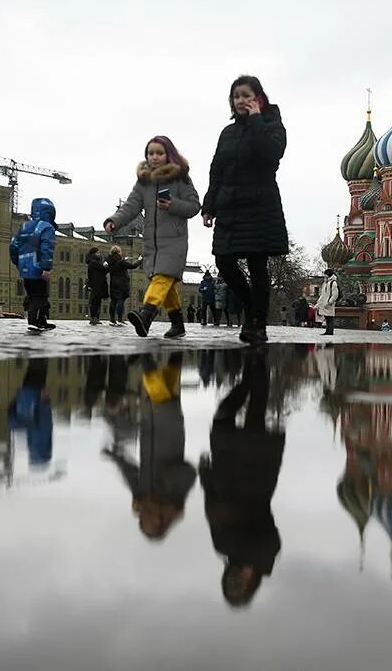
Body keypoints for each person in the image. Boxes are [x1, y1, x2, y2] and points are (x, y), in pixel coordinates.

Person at [202, 75, 289, 345]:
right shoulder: (227, 133)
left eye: (246, 95)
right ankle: (253, 308)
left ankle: (257, 324)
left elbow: (271, 154)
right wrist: (209, 205)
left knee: (257, 265)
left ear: (258, 98)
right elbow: (217, 170)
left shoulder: (272, 124)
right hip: (230, 206)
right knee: (224, 262)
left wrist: (255, 120)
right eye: (236, 96)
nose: (240, 100)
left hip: (259, 205)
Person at [199, 350, 283, 607]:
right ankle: (257, 367)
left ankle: (251, 373)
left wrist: (206, 476)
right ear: (251, 584)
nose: (235, 579)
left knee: (223, 416)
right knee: (255, 412)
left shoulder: (225, 548)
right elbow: (269, 535)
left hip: (228, 470)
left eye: (230, 583)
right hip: (254, 477)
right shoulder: (263, 556)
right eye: (239, 585)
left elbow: (211, 507)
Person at [104, 135, 202, 338]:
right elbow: (130, 207)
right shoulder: (143, 182)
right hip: (151, 243)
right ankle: (178, 325)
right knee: (168, 283)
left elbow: (194, 206)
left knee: (161, 277)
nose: (154, 157)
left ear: (168, 155)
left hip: (174, 241)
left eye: (159, 153)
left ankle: (146, 315)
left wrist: (172, 205)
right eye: (151, 153)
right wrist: (114, 221)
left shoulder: (181, 178)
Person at [103, 353, 196, 541]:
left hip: (150, 427)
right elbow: (190, 472)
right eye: (145, 521)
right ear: (160, 520)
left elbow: (130, 474)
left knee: (167, 387)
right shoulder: (176, 499)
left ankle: (175, 354)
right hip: (170, 430)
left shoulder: (142, 498)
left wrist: (116, 457)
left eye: (141, 521)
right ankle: (146, 358)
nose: (141, 517)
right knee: (159, 393)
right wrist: (164, 482)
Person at [10, 198, 58, 331]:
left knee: (32, 295)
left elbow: (13, 246)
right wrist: (46, 268)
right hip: (38, 267)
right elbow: (46, 248)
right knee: (40, 296)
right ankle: (34, 322)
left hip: (24, 267)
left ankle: (42, 321)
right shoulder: (47, 227)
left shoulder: (24, 226)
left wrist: (17, 262)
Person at [8, 359, 54, 469]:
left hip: (36, 395)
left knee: (39, 363)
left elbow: (45, 422)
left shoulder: (41, 443)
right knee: (34, 366)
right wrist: (16, 399)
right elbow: (11, 418)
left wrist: (45, 401)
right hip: (26, 397)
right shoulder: (28, 441)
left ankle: (39, 348)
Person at [105, 245, 141, 326]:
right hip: (122, 283)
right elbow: (133, 266)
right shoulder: (121, 262)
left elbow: (114, 265)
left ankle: (112, 319)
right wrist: (139, 260)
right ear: (118, 252)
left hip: (113, 283)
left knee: (113, 301)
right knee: (121, 300)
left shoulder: (110, 261)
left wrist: (124, 259)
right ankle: (120, 319)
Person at [84, 246, 109, 325]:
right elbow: (102, 269)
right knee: (95, 302)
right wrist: (104, 265)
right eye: (98, 253)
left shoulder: (94, 262)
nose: (99, 254)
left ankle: (96, 318)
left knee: (97, 301)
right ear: (94, 253)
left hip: (98, 284)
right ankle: (93, 318)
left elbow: (103, 270)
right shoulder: (93, 262)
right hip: (96, 284)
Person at [315, 268, 339, 336]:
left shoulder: (333, 283)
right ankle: (327, 331)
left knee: (330, 318)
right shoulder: (325, 283)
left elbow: (335, 294)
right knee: (327, 318)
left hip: (329, 304)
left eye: (325, 275)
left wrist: (330, 301)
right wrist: (318, 303)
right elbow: (322, 295)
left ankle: (330, 331)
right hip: (324, 303)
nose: (324, 276)